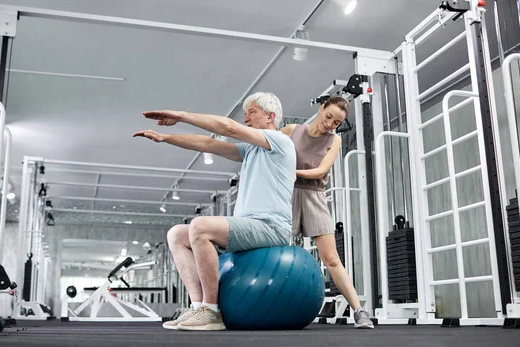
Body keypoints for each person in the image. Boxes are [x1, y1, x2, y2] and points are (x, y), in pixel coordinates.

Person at [133, 92, 296, 331]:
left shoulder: (280, 141)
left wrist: (181, 116)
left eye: (252, 112)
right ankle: (198, 305)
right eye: (246, 113)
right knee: (177, 234)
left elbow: (228, 127)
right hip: (249, 225)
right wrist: (165, 137)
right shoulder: (251, 150)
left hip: (272, 228)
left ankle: (211, 311)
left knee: (200, 226)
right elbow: (209, 144)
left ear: (271, 116)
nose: (246, 117)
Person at [280, 96, 374, 329]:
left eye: (336, 122)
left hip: (314, 196)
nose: (330, 123)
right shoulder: (291, 130)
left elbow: (322, 169)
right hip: (286, 194)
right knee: (277, 253)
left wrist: (295, 172)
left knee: (331, 259)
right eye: (328, 116)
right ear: (321, 109)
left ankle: (360, 311)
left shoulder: (335, 140)